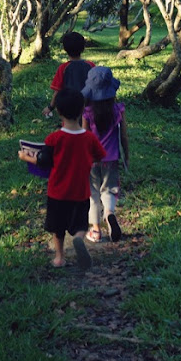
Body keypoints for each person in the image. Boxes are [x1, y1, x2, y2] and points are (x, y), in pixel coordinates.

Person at [19, 88, 106, 269]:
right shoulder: (89, 138)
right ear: (81, 110)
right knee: (80, 224)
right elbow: (100, 156)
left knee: (58, 228)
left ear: (58, 112)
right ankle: (79, 239)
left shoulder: (54, 138)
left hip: (58, 192)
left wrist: (25, 156)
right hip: (80, 191)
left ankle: (59, 258)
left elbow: (43, 161)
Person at [81, 66, 129, 244]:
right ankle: (109, 213)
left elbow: (84, 137)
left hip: (92, 160)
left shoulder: (87, 113)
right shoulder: (118, 110)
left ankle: (95, 230)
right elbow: (124, 136)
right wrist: (127, 155)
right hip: (112, 159)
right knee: (109, 190)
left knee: (92, 193)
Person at [43, 31, 95, 117]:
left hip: (69, 108)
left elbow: (57, 91)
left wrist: (50, 107)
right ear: (83, 48)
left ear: (65, 49)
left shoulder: (63, 68)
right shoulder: (91, 65)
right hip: (89, 108)